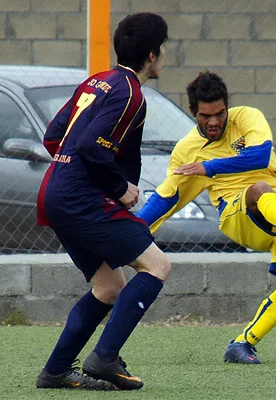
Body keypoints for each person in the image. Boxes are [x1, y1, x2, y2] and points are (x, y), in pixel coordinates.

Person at [137, 71, 276, 364]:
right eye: (205, 116)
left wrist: (209, 167)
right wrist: (132, 230)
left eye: (219, 113)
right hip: (238, 215)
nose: (213, 121)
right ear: (193, 113)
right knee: (259, 189)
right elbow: (168, 197)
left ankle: (243, 343)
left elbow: (260, 157)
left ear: (227, 106)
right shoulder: (187, 152)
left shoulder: (247, 118)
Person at [35, 12, 170, 390]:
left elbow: (53, 136)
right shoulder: (130, 93)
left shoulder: (98, 81)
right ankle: (104, 358)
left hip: (55, 193)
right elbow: (93, 147)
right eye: (163, 49)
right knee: (157, 266)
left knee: (109, 286)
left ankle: (56, 371)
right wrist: (119, 189)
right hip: (80, 198)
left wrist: (71, 171)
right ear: (153, 54)